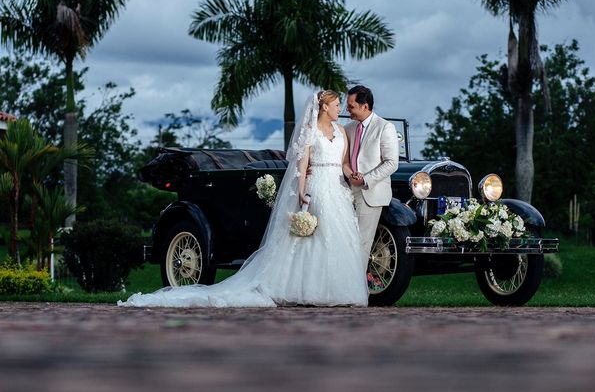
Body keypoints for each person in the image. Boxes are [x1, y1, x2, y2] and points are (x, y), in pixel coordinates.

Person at [119, 90, 368, 307]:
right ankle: (304, 289)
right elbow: (302, 165)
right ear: (324, 107)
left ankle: (336, 288)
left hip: (337, 187)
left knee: (338, 239)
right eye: (337, 105)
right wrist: (302, 191)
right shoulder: (310, 132)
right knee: (311, 240)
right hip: (317, 185)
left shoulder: (341, 132)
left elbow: (344, 163)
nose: (340, 110)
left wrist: (352, 175)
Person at [343, 85, 399, 273]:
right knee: (346, 242)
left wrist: (366, 179)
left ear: (364, 106)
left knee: (361, 244)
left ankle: (356, 292)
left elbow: (392, 163)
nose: (347, 110)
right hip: (346, 191)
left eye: (351, 106)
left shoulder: (385, 127)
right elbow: (343, 158)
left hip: (370, 193)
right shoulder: (348, 128)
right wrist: (350, 174)